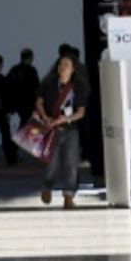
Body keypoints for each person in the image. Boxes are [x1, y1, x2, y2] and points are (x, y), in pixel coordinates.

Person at [36, 52, 90, 207]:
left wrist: (66, 119)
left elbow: (81, 111)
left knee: (71, 163)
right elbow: (39, 102)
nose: (62, 67)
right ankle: (47, 186)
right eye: (60, 64)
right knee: (51, 162)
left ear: (73, 69)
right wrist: (45, 117)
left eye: (66, 64)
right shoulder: (48, 83)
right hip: (51, 128)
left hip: (70, 129)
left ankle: (68, 196)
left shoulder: (79, 86)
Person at [7, 48, 42, 145]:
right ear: (31, 57)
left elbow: (8, 86)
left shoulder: (14, 70)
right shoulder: (32, 70)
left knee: (24, 124)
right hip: (28, 103)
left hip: (17, 103)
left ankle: (15, 145)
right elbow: (36, 87)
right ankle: (17, 144)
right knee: (26, 125)